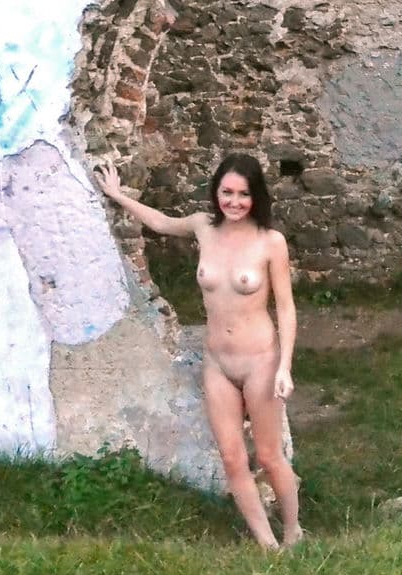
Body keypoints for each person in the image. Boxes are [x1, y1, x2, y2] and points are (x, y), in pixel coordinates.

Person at [92, 153, 302, 550]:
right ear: (216, 192)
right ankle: (268, 546)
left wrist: (284, 367)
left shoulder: (270, 242)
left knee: (269, 456)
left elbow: (287, 308)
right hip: (218, 363)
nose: (234, 202)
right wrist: (118, 196)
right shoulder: (203, 226)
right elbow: (160, 222)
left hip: (260, 361)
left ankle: (293, 533)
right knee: (232, 458)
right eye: (227, 192)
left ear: (256, 196)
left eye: (243, 194)